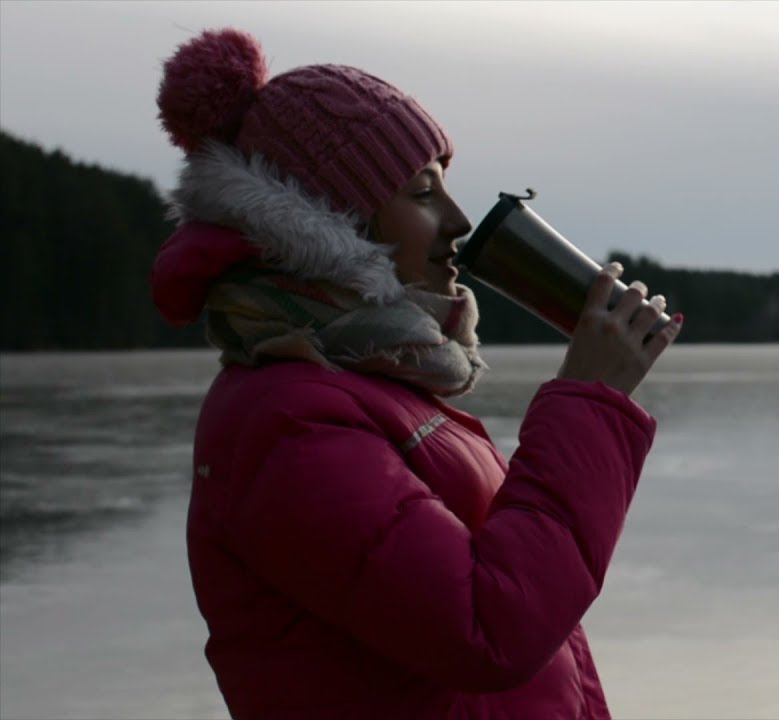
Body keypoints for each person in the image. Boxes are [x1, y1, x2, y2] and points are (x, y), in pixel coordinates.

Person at [148, 27, 683, 719]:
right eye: (424, 192)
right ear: (333, 224)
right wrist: (590, 397)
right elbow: (488, 627)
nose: (458, 220)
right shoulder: (286, 422)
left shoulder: (373, 386)